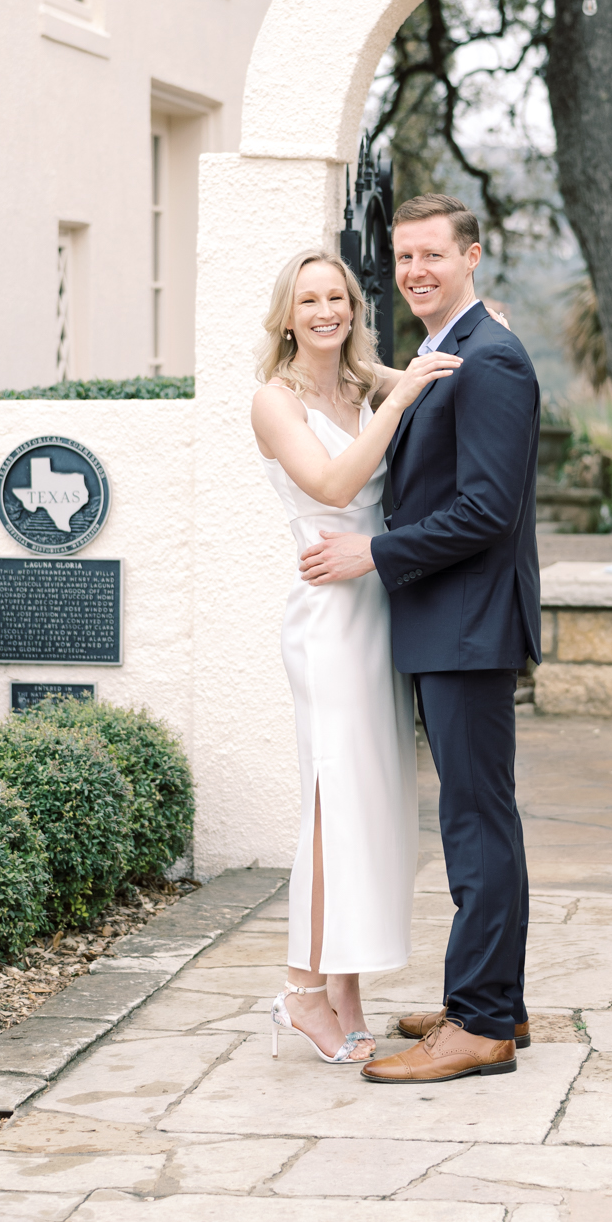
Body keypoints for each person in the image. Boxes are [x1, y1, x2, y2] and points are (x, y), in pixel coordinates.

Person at [300, 194, 541, 1085]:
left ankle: (477, 1023)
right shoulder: (450, 352)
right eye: (402, 258)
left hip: (469, 625)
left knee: (475, 824)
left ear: (471, 255)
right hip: (450, 624)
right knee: (483, 817)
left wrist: (375, 551)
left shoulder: (492, 360)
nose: (415, 271)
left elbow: (486, 510)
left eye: (432, 254)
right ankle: (495, 1001)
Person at [252, 249, 462, 1066]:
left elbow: (447, 364)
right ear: (288, 314)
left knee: (372, 804)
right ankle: (302, 990)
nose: (326, 311)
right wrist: (400, 392)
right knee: (330, 802)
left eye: (336, 296)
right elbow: (336, 486)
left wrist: (485, 335)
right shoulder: (278, 400)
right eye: (309, 299)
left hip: (378, 606)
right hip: (328, 618)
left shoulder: (361, 380)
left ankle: (346, 989)